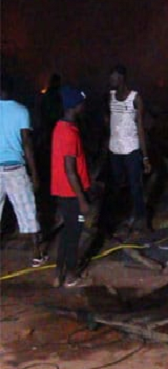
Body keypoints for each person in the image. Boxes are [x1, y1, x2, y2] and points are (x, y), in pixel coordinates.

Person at [0, 73, 46, 267]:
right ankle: (37, 254)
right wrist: (34, 173)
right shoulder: (21, 111)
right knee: (27, 211)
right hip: (15, 169)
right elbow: (27, 143)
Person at [51, 85, 90, 287]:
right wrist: (82, 199)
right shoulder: (69, 133)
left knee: (67, 231)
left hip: (63, 190)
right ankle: (72, 275)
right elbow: (70, 170)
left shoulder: (61, 127)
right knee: (74, 233)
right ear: (75, 107)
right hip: (72, 192)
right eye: (82, 103)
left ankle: (59, 273)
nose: (84, 106)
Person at [106, 64, 151, 234]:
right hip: (114, 149)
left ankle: (141, 219)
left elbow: (140, 128)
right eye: (111, 77)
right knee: (117, 186)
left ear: (122, 78)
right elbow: (108, 121)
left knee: (135, 185)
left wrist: (145, 156)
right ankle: (120, 219)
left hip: (131, 148)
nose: (111, 80)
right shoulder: (109, 96)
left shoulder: (135, 98)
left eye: (114, 77)